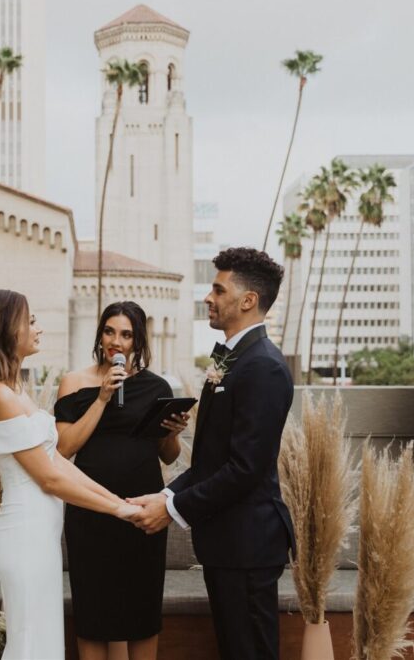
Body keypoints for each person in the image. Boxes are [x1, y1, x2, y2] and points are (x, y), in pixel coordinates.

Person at [128, 247, 296, 660]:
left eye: (218, 290)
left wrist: (171, 510)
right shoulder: (232, 359)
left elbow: (245, 470)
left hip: (249, 544)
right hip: (229, 543)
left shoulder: (264, 367)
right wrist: (166, 496)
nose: (209, 297)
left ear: (248, 300)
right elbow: (211, 462)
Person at [0, 289, 141, 660]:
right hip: (23, 537)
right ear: (6, 329)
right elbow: (49, 479)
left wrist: (117, 501)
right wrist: (118, 511)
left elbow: (60, 463)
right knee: (30, 646)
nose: (38, 329)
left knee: (44, 644)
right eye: (30, 321)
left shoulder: (15, 390)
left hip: (41, 536)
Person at [54, 301, 189, 660]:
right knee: (94, 613)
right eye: (110, 331)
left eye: (126, 334)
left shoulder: (156, 386)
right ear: (100, 334)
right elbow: (64, 448)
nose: (116, 341)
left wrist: (173, 433)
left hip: (144, 511)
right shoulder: (74, 382)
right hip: (91, 511)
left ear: (137, 340)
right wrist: (102, 398)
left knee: (141, 612)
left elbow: (168, 455)